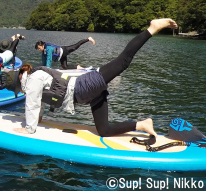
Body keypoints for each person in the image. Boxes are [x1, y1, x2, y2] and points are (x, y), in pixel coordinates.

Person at [12, 18, 178, 137]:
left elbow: (32, 103)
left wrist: (29, 128)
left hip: (85, 86)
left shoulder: (32, 79)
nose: (19, 88)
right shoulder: (36, 77)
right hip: (89, 95)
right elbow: (39, 101)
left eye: (16, 85)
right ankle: (143, 124)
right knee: (104, 131)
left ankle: (152, 28)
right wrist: (39, 119)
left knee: (123, 62)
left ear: (21, 76)